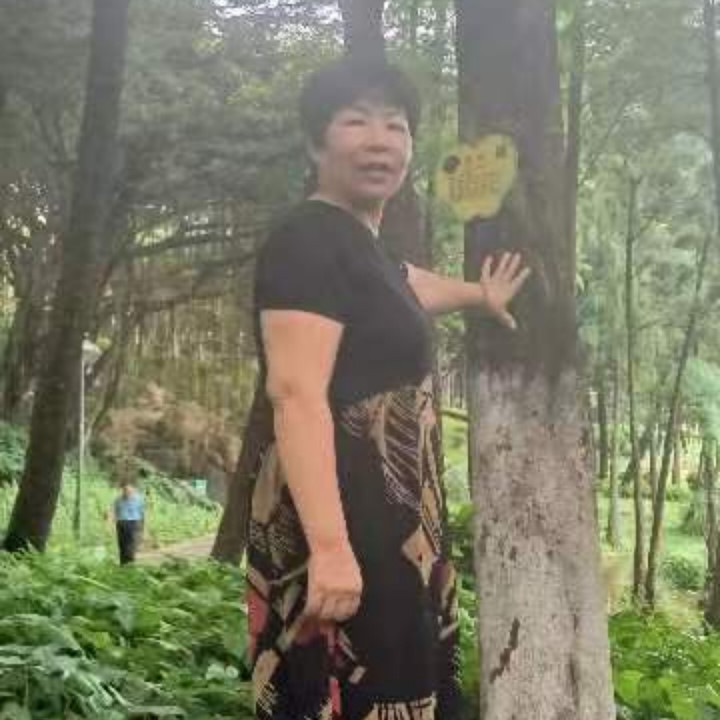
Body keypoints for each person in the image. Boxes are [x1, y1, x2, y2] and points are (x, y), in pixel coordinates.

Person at [247, 57, 530, 720]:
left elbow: (408, 286)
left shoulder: (359, 246)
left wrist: (479, 294)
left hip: (392, 525)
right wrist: (330, 549)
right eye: (356, 122)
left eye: (396, 126)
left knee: (402, 688)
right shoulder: (306, 241)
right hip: (346, 519)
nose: (380, 141)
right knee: (352, 694)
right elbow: (294, 393)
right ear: (316, 142)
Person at [112, 481, 144, 564]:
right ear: (122, 490)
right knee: (122, 544)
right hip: (121, 523)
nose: (127, 492)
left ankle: (130, 563)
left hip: (133, 523)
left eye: (129, 490)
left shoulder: (138, 499)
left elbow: (142, 513)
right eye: (125, 490)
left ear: (133, 490)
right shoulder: (118, 499)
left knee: (130, 545)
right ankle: (122, 563)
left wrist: (143, 527)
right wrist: (113, 521)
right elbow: (115, 511)